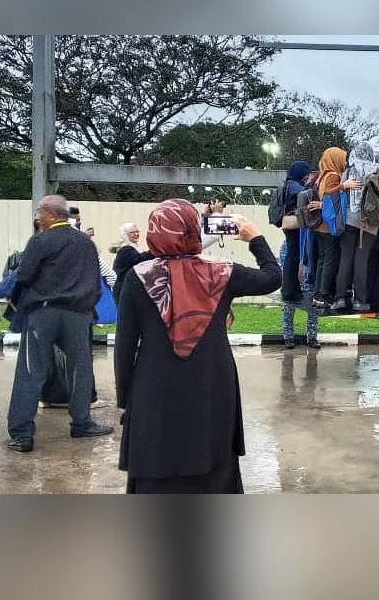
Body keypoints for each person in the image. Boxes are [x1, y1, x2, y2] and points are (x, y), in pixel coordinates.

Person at [114, 199, 280, 493]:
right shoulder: (224, 275)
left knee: (156, 461)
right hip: (212, 383)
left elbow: (125, 347)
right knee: (214, 459)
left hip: (153, 388)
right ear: (195, 230)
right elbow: (272, 277)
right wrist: (255, 238)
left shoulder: (137, 277)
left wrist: (127, 400)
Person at [6, 195, 113, 453]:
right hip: (77, 314)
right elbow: (95, 281)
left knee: (31, 371)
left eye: (39, 213)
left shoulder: (40, 241)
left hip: (43, 314)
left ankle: (22, 434)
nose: (37, 218)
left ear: (51, 214)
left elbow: (24, 275)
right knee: (80, 369)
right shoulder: (86, 243)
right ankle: (81, 423)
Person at [332, 142, 379, 313]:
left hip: (349, 220)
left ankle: (340, 298)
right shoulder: (377, 173)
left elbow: (340, 192)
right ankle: (360, 300)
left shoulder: (348, 172)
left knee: (346, 258)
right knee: (362, 260)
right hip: (369, 223)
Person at [310, 147, 361, 308]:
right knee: (329, 261)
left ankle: (318, 294)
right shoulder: (332, 175)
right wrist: (344, 186)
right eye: (342, 158)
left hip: (321, 226)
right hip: (329, 225)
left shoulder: (323, 175)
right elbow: (329, 195)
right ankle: (324, 295)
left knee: (322, 260)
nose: (345, 162)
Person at [280, 161, 321, 349]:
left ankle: (304, 337)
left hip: (297, 248)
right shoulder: (301, 192)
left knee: (302, 297)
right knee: (295, 298)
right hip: (299, 248)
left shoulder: (286, 188)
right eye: (308, 174)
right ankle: (295, 336)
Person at [111, 222, 154, 304]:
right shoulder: (125, 250)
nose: (136, 234)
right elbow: (140, 260)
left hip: (129, 288)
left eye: (137, 232)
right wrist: (154, 251)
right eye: (133, 232)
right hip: (124, 289)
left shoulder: (133, 247)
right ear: (125, 234)